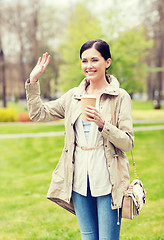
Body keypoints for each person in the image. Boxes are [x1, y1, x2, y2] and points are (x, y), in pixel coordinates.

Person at [25, 39, 134, 240]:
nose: (89, 66)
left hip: (108, 181)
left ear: (107, 62)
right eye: (84, 61)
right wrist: (33, 81)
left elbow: (128, 143)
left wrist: (103, 125)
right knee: (88, 237)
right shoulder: (73, 96)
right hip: (79, 182)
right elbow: (38, 114)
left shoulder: (119, 97)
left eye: (94, 60)